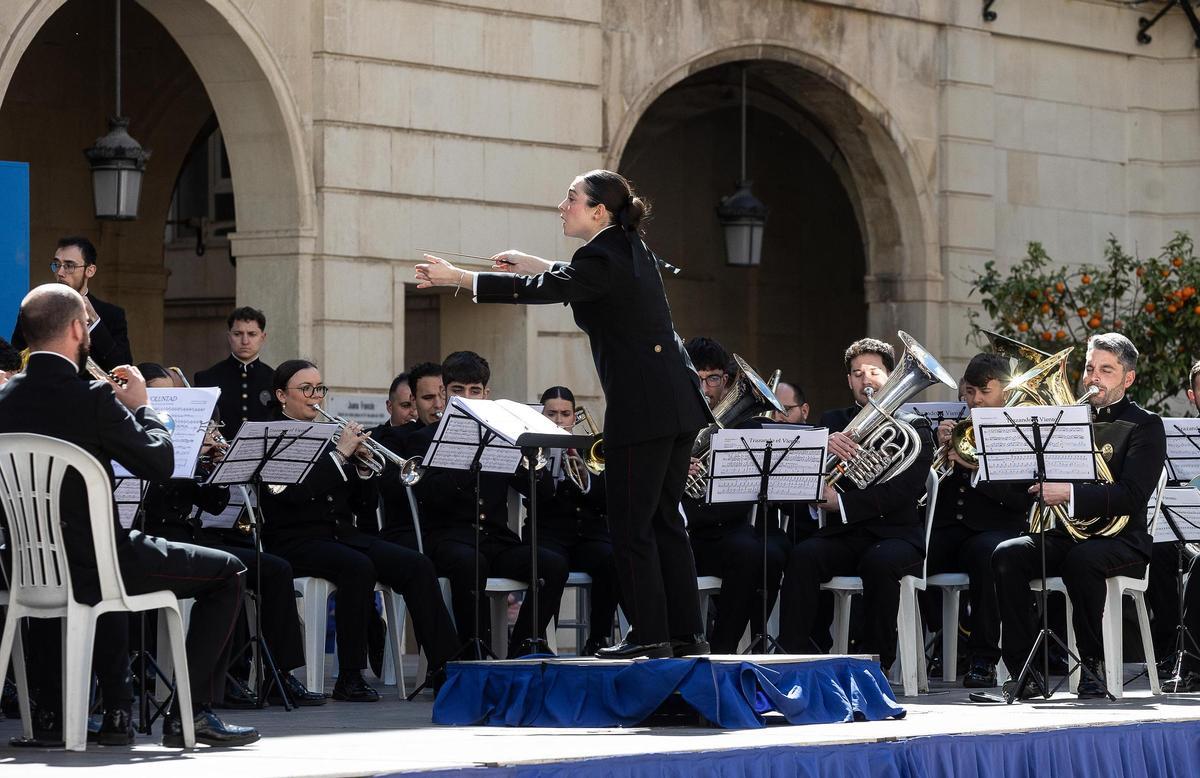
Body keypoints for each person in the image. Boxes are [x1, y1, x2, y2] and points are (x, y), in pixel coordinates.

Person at [415, 170, 714, 659]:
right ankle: (685, 635)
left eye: (571, 198)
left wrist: (460, 279)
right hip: (677, 403)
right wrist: (539, 263)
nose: (562, 205)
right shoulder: (627, 247)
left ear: (599, 211)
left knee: (631, 525)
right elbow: (588, 280)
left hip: (643, 409)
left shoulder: (602, 254)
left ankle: (652, 636)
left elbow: (547, 289)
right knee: (664, 522)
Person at [0, 284, 257, 747]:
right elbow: (160, 464)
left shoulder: (4, 402)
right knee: (230, 572)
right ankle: (189, 716)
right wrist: (145, 408)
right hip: (99, 565)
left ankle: (94, 714)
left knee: (106, 549)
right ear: (78, 328)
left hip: (28, 567)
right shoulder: (93, 399)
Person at [258, 359, 459, 701]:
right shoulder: (272, 435)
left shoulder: (328, 433)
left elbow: (360, 506)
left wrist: (363, 469)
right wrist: (339, 457)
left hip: (341, 535)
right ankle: (350, 676)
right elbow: (291, 497)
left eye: (319, 388)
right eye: (305, 389)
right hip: (294, 538)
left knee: (417, 565)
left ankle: (447, 668)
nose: (314, 396)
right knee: (357, 568)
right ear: (281, 395)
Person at [137, 363, 326, 708]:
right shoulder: (137, 440)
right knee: (230, 569)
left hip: (191, 536)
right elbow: (144, 500)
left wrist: (214, 467)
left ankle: (278, 674)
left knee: (274, 568)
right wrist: (182, 456)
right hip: (153, 537)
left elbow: (213, 504)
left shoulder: (180, 442)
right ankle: (229, 677)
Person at [992, 333, 1166, 700]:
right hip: (1070, 533)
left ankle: (1093, 664)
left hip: (1124, 540)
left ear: (1127, 378)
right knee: (1007, 553)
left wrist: (1069, 493)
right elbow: (1024, 486)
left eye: (1106, 370)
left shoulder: (1144, 425)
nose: (1093, 378)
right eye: (1089, 369)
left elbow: (1132, 496)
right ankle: (1025, 671)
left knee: (1082, 560)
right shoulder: (1064, 420)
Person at [777, 337, 935, 672]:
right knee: (803, 556)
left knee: (880, 563)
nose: (865, 380)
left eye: (874, 372)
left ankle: (873, 665)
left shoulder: (916, 427)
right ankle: (793, 658)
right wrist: (822, 449)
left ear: (891, 376)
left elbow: (904, 491)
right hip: (845, 535)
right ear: (849, 380)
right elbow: (807, 480)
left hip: (896, 536)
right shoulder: (832, 422)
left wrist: (844, 503)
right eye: (857, 373)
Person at [403, 351, 568, 656]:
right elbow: (432, 496)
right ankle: (473, 653)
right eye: (458, 391)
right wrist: (471, 458)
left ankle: (521, 650)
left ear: (486, 393)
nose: (468, 398)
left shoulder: (503, 435)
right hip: (449, 539)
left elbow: (540, 493)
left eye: (475, 391)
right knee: (470, 562)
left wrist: (532, 462)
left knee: (553, 565)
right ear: (444, 393)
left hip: (497, 540)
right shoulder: (425, 438)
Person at [924, 353, 1029, 688]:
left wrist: (978, 469)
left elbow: (1020, 500)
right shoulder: (957, 426)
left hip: (996, 531)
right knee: (904, 556)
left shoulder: (1019, 434)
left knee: (988, 557)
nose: (976, 401)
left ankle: (982, 658)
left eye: (984, 391)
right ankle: (922, 644)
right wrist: (936, 450)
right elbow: (927, 488)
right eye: (969, 392)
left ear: (1005, 391)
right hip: (949, 529)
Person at [682, 337, 789, 654]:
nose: (705, 387)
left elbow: (745, 497)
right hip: (683, 532)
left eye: (712, 378)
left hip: (726, 528)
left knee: (752, 551)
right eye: (697, 378)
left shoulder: (746, 429)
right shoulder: (671, 423)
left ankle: (724, 646)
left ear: (725, 380)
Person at [530, 385, 620, 654]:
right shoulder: (531, 451)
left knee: (612, 560)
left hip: (587, 537)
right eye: (552, 414)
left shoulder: (590, 448)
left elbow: (606, 499)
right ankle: (543, 641)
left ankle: (598, 639)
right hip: (549, 536)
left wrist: (587, 480)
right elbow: (537, 495)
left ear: (574, 417)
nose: (559, 420)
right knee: (551, 566)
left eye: (565, 414)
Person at [10, 236, 131, 371]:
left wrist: (95, 322)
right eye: (57, 264)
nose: (60, 273)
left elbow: (124, 371)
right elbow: (14, 363)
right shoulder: (35, 308)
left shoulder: (112, 315)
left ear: (90, 271)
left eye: (69, 266)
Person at [377, 362, 445, 551]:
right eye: (428, 398)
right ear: (415, 401)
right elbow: (390, 489)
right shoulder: (397, 437)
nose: (438, 404)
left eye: (443, 396)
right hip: (412, 532)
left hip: (451, 532)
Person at [194, 307, 273, 438]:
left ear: (263, 337)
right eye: (238, 334)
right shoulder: (207, 378)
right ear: (229, 337)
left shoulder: (274, 379)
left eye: (252, 334)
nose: (245, 341)